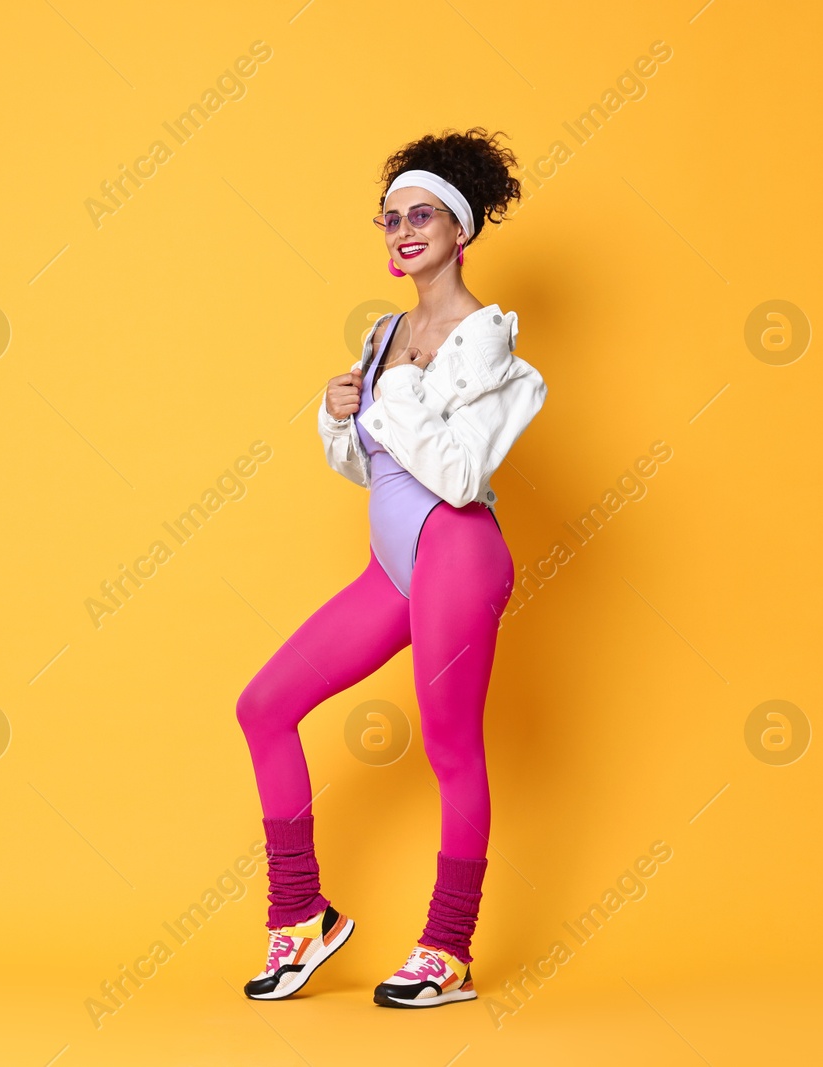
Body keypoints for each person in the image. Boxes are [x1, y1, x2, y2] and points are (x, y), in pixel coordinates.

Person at [235, 128, 547, 1007]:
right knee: (264, 705)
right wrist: (340, 414)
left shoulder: (495, 353)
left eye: (421, 215)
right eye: (389, 219)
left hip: (460, 553)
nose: (402, 231)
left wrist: (398, 391)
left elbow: (455, 476)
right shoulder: (383, 334)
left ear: (461, 229)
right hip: (394, 564)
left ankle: (447, 948)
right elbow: (371, 468)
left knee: (449, 743)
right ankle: (301, 916)